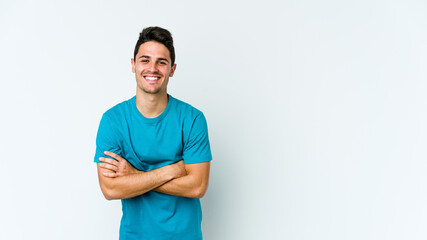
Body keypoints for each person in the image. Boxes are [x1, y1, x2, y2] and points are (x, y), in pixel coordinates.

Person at [94, 26, 212, 240]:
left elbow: (197, 186)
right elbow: (110, 189)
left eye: (162, 62)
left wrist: (134, 175)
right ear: (133, 65)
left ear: (172, 69)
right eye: (145, 60)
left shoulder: (192, 119)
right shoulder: (113, 121)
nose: (153, 68)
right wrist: (173, 170)